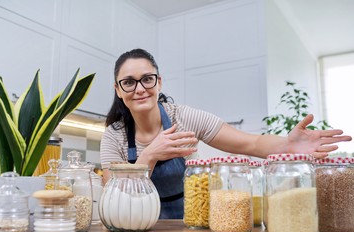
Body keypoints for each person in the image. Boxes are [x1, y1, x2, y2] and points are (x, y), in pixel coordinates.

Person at [100, 48, 352, 219]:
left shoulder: (183, 118)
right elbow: (113, 197)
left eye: (147, 79)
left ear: (159, 82)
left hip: (190, 223)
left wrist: (288, 145)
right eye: (129, 82)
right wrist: (149, 156)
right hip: (136, 227)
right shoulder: (113, 136)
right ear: (118, 89)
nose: (140, 89)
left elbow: (251, 143)